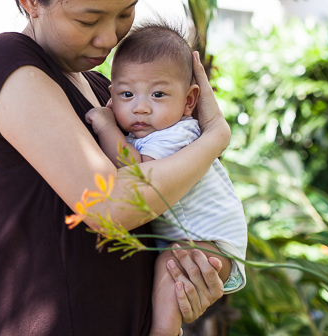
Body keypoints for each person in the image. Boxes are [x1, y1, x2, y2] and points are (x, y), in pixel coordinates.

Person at [0, 0, 231, 335]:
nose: (109, 39)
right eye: (89, 21)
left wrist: (190, 276)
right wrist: (214, 139)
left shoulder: (106, 91)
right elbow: (110, 205)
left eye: (125, 15)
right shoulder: (5, 62)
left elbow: (152, 207)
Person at [85, 22, 248, 336]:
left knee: (170, 264)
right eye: (127, 94)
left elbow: (138, 174)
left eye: (158, 94)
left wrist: (106, 127)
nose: (141, 107)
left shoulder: (177, 133)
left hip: (211, 240)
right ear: (112, 96)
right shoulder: (143, 132)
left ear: (189, 101)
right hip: (198, 239)